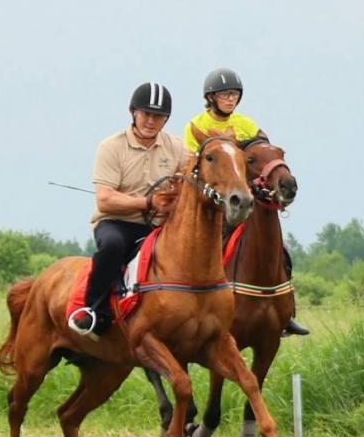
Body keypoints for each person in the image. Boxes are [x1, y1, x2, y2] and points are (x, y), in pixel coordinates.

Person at [183, 67, 309, 336]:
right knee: (212, 245)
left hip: (246, 197)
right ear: (211, 97)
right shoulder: (197, 126)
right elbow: (191, 164)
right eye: (225, 94)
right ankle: (202, 306)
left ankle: (286, 313)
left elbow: (262, 155)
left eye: (235, 95)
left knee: (281, 248)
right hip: (215, 201)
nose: (231, 99)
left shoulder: (247, 125)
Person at [68, 82, 184, 339]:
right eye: (146, 114)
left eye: (159, 116)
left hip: (157, 226)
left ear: (166, 119)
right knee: (112, 246)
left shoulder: (177, 148)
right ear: (133, 112)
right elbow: (105, 200)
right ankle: (94, 311)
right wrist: (148, 202)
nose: (151, 121)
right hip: (116, 222)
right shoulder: (111, 147)